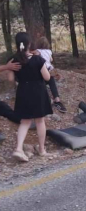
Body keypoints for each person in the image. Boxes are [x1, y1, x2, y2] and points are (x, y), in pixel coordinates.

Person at [8, 32, 53, 162]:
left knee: (25, 121)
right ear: (29, 44)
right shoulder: (37, 59)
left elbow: (11, 79)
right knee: (40, 121)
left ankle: (18, 149)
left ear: (18, 44)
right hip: (38, 91)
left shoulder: (13, 60)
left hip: (23, 91)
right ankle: (42, 150)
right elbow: (47, 77)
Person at [33, 37, 67, 113]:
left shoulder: (37, 51)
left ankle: (48, 100)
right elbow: (51, 60)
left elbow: (32, 55)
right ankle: (57, 100)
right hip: (49, 70)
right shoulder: (49, 51)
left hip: (41, 70)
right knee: (51, 82)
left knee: (41, 82)